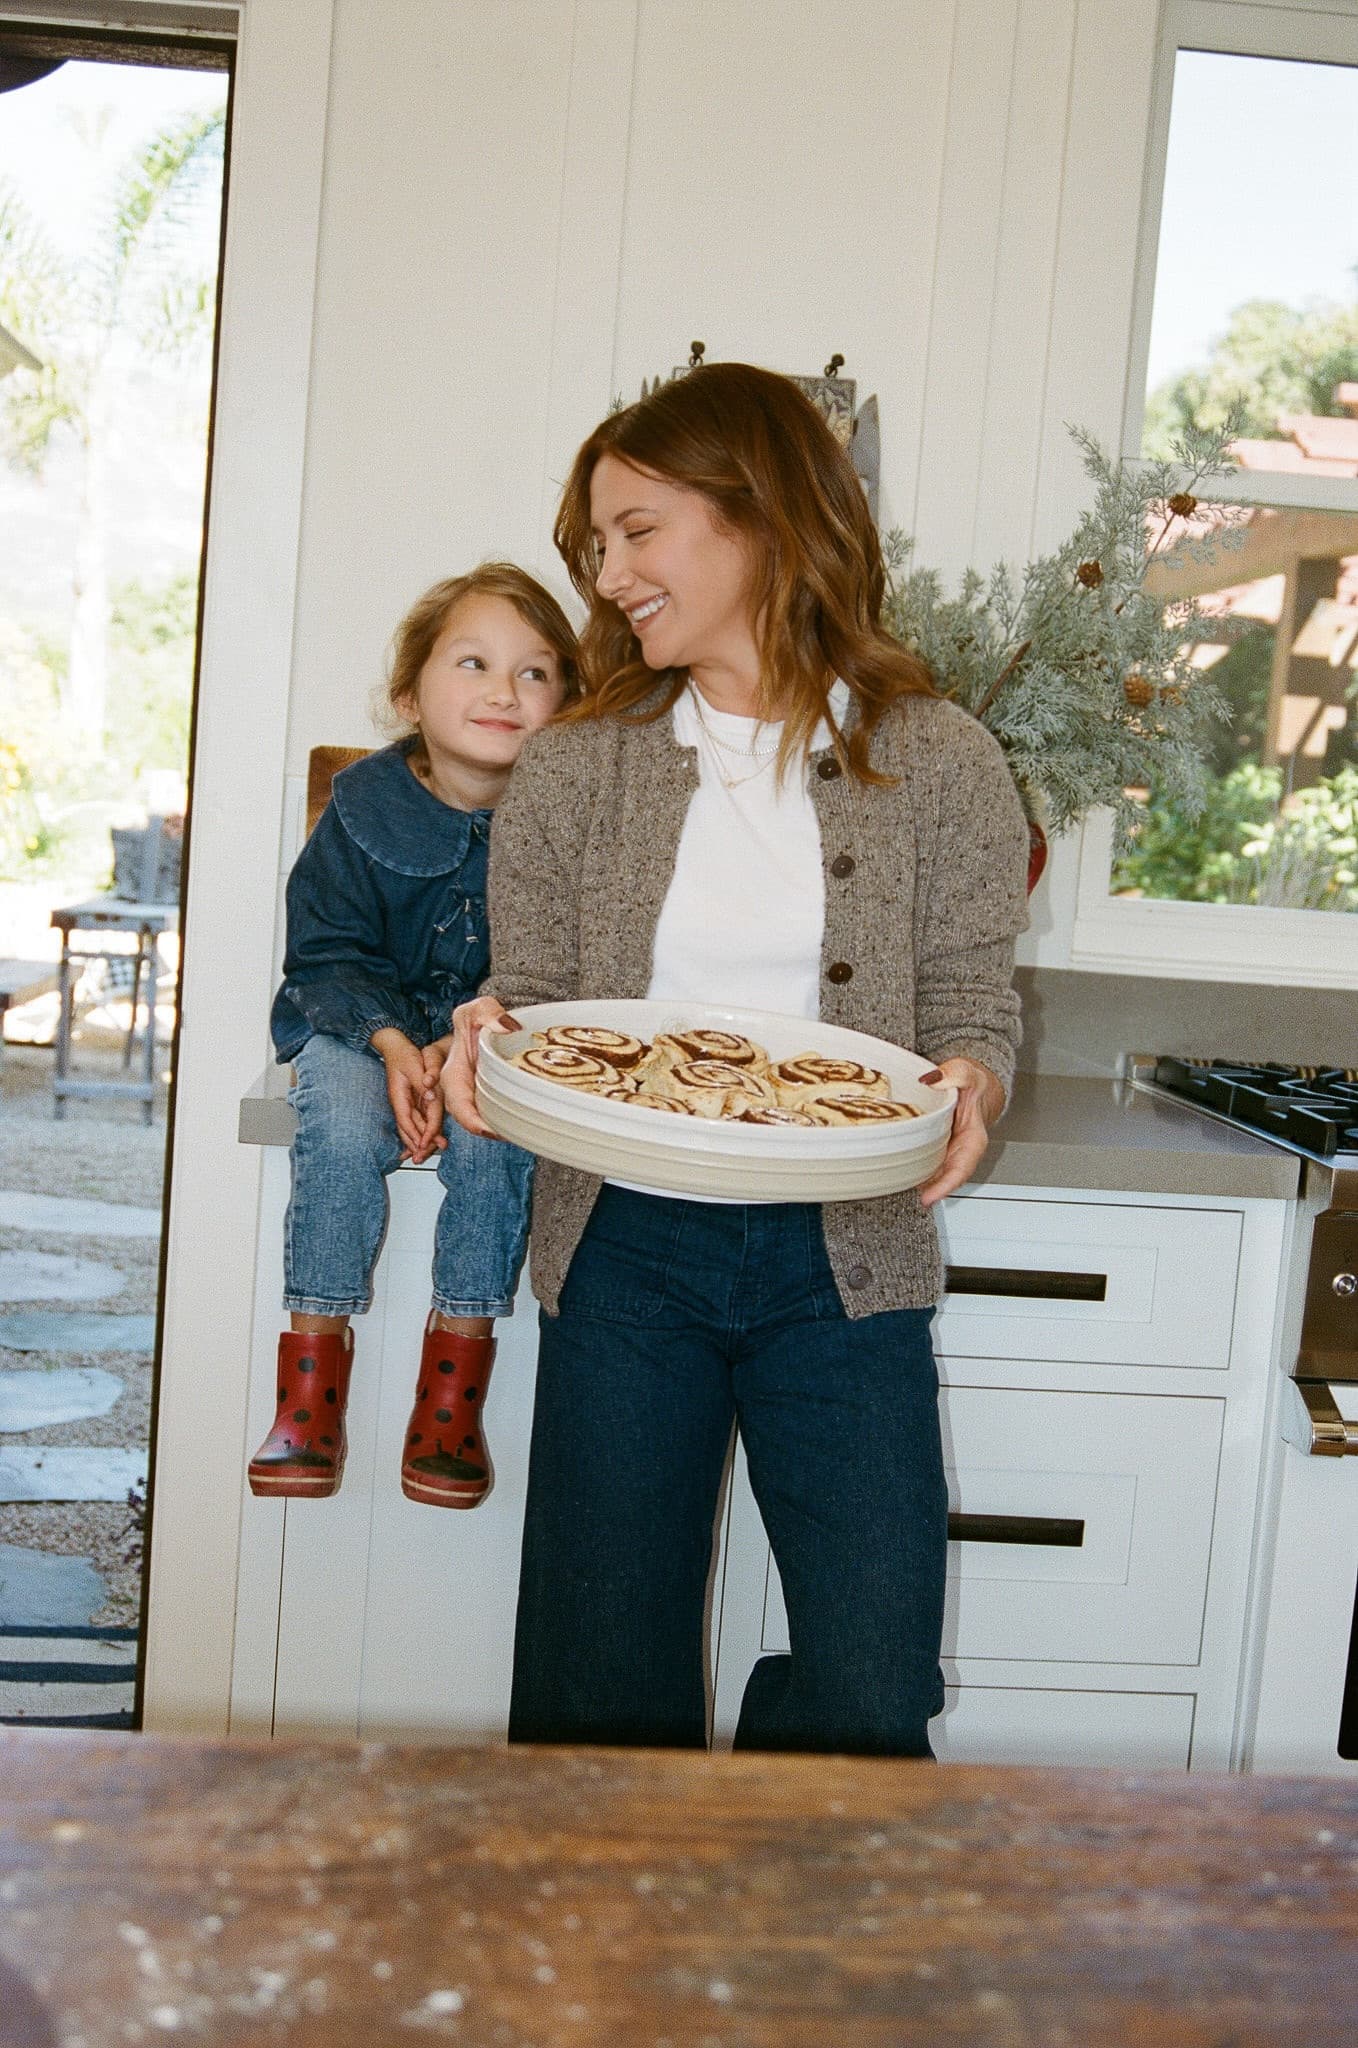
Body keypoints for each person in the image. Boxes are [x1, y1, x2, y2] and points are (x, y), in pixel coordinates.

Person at [446, 364, 1028, 1752]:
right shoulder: (576, 770)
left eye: (638, 528)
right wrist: (487, 1035)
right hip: (623, 1247)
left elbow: (970, 1002)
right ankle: (611, 1954)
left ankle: (766, 1898)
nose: (609, 568)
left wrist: (974, 1079)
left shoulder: (939, 763)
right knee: (597, 1689)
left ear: (760, 515)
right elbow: (532, 1000)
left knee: (873, 1682)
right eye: (596, 541)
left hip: (844, 1255)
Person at [248, 564, 577, 1510]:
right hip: (356, 1028)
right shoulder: (361, 804)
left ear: (566, 706)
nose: (503, 691)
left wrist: (464, 1046)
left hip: (493, 1039)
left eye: (535, 673)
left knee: (494, 1133)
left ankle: (454, 1387)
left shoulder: (571, 826)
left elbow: (566, 961)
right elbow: (325, 950)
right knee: (345, 1131)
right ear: (410, 693)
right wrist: (397, 1043)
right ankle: (310, 1389)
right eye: (473, 663)